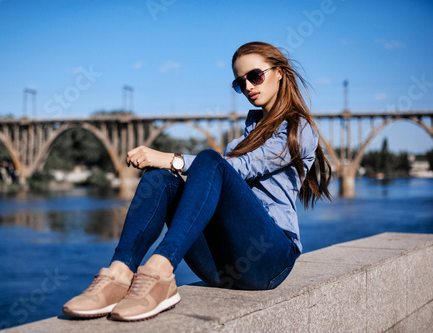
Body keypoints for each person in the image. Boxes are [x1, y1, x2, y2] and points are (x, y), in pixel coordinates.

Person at [62, 41, 332, 322]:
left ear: (279, 72)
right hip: (223, 267)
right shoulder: (241, 140)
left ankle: (161, 268)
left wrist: (172, 158)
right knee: (160, 178)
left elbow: (242, 167)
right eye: (240, 83)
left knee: (206, 159)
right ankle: (119, 272)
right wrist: (167, 165)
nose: (249, 87)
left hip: (270, 260)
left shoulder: (299, 130)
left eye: (255, 76)